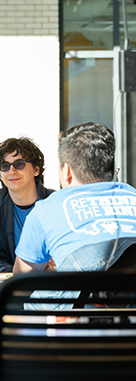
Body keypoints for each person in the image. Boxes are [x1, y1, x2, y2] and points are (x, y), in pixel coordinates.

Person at [14, 123, 136, 304]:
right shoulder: (132, 194)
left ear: (67, 171)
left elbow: (22, 279)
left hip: (75, 326)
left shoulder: (45, 210)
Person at [0, 137, 55, 273]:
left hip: (55, 284)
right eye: (5, 166)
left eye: (19, 164)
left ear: (36, 170)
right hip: (14, 286)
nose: (11, 171)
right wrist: (17, 277)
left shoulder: (55, 203)